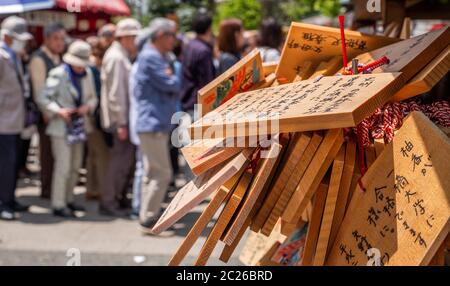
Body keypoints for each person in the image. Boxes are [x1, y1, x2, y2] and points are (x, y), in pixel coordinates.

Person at [36, 40, 98, 217]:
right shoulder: (58, 74)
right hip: (61, 127)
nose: (80, 68)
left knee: (75, 166)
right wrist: (59, 111)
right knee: (63, 166)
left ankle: (69, 200)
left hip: (79, 126)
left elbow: (93, 98)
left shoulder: (88, 74)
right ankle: (58, 203)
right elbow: (43, 98)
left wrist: (88, 107)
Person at [134, 18, 181, 232]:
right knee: (162, 173)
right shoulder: (152, 57)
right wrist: (173, 75)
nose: (175, 40)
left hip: (153, 122)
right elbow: (171, 83)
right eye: (172, 35)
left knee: (152, 172)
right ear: (161, 36)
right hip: (153, 122)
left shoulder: (155, 56)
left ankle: (147, 214)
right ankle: (149, 217)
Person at [100, 18, 141, 216]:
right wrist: (121, 122)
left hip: (122, 118)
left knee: (124, 162)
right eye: (134, 37)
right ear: (125, 37)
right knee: (119, 162)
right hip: (120, 120)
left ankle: (117, 197)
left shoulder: (120, 54)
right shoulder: (117, 57)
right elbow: (115, 94)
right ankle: (109, 201)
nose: (136, 41)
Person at [0, 16, 33, 220]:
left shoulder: (15, 55)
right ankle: (3, 203)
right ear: (7, 37)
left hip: (14, 120)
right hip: (3, 120)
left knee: (12, 163)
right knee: (5, 163)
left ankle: (9, 199)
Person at [29, 23, 66, 199]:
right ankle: (47, 190)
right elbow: (39, 90)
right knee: (47, 155)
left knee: (56, 155)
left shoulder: (59, 58)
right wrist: (47, 113)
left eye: (62, 39)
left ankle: (54, 189)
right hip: (47, 115)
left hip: (58, 114)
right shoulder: (39, 58)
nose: (60, 43)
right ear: (47, 39)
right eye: (57, 38)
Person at [85, 36, 110, 201]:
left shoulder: (91, 66)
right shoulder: (94, 68)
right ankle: (100, 189)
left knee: (93, 155)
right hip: (95, 115)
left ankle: (92, 188)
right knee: (100, 154)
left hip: (91, 114)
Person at [180, 11, 215, 116]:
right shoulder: (203, 50)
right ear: (209, 29)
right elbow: (208, 82)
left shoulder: (190, 46)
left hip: (187, 103)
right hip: (199, 106)